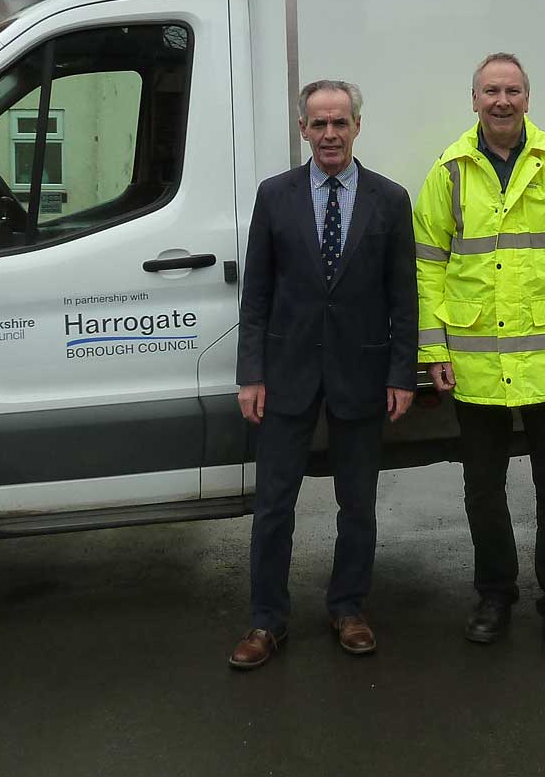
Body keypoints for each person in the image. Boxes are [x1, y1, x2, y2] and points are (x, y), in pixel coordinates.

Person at [413, 52, 545, 662]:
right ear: (472, 99)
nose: (502, 101)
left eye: (513, 90)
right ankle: (494, 596)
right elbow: (428, 264)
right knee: (484, 493)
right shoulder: (449, 171)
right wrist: (433, 349)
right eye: (490, 91)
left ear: (528, 97)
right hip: (475, 367)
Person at [229, 79, 418, 670]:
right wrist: (251, 373)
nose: (330, 134)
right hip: (286, 374)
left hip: (361, 373)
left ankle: (349, 608)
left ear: (357, 127)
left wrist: (400, 373)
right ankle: (266, 621)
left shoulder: (390, 200)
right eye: (319, 124)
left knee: (357, 503)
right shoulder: (274, 196)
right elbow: (256, 293)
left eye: (340, 123)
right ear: (303, 130)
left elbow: (403, 296)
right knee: (274, 506)